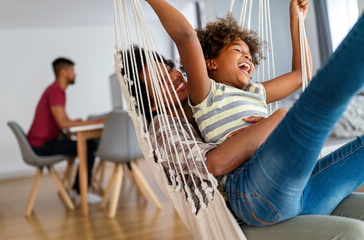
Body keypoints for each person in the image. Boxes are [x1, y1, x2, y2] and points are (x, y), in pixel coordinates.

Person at [145, 0, 364, 231]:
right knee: (296, 112)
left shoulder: (255, 92)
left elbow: (302, 74)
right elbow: (186, 37)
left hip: (298, 194)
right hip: (250, 189)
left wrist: (297, 19)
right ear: (210, 62)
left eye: (250, 54)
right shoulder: (206, 94)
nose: (248, 57)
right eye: (237, 50)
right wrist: (272, 126)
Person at [27, 57, 104, 203]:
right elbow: (63, 124)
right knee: (89, 146)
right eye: (72, 70)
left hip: (40, 143)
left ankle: (77, 190)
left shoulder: (56, 90)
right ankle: (81, 193)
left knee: (86, 145)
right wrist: (94, 122)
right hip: (40, 146)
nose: (75, 74)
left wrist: (74, 122)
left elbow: (63, 121)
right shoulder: (55, 91)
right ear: (63, 72)